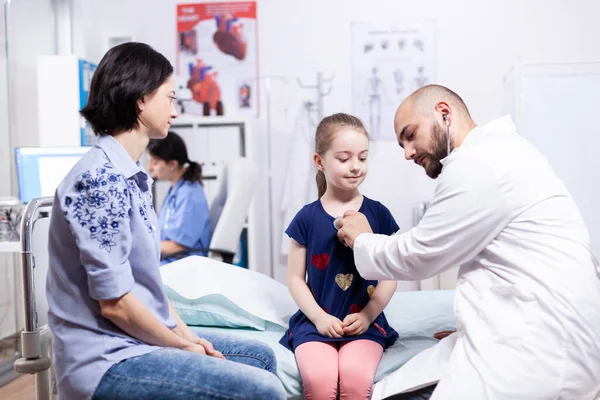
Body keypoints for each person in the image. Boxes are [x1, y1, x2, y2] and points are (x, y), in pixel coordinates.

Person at [46, 42, 286, 400]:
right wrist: (180, 346)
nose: (174, 110)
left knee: (258, 357)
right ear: (141, 99)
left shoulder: (134, 177)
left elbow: (149, 285)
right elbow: (116, 305)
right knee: (263, 390)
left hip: (133, 339)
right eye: (170, 98)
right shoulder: (98, 181)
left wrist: (188, 335)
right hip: (104, 358)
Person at [336, 84, 600, 399]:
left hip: (543, 353)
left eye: (410, 135)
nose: (407, 153)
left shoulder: (479, 164)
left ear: (443, 113)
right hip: (544, 329)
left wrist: (362, 238)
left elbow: (419, 254)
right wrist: (475, 325)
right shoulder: (504, 153)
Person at [280, 113, 400, 399]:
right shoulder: (306, 218)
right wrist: (319, 318)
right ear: (319, 162)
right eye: (344, 159)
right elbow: (295, 280)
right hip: (315, 323)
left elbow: (390, 276)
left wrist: (368, 315)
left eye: (362, 157)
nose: (355, 166)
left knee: (355, 380)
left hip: (365, 324)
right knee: (320, 382)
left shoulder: (379, 214)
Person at [147, 131, 211, 265]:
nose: (150, 168)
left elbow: (178, 247)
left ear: (172, 164)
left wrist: (141, 247)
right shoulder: (177, 189)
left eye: (156, 162)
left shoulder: (188, 194)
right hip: (171, 261)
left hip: (183, 266)